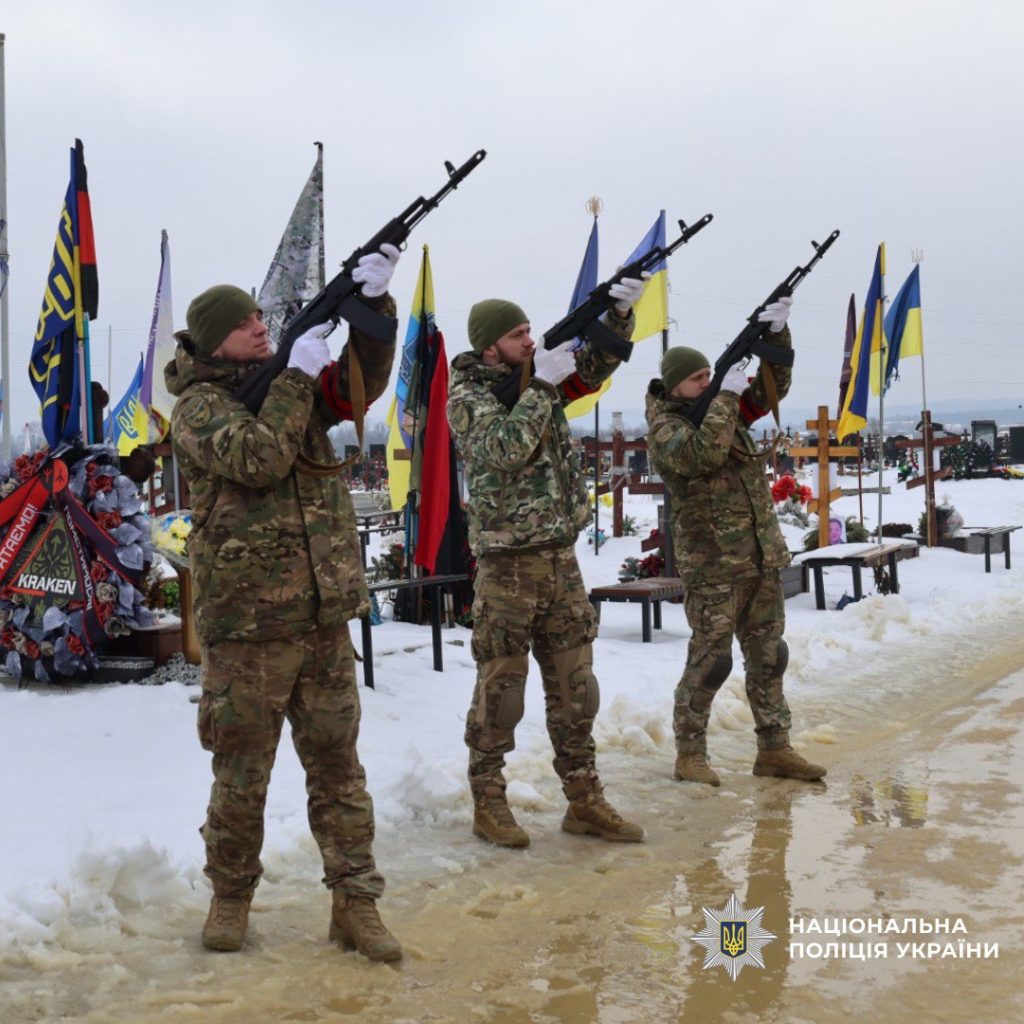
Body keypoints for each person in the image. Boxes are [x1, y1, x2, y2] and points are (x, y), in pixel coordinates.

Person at [166, 244, 404, 959]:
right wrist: (297, 374)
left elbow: (362, 387)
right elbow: (260, 457)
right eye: (244, 323)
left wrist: (374, 311)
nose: (260, 326)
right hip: (249, 627)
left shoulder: (285, 382)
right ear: (215, 341)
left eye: (259, 317)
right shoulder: (198, 409)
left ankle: (355, 902)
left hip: (322, 615)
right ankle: (230, 897)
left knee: (339, 769)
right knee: (242, 775)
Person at [447, 279, 647, 849]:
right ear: (490, 347)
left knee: (576, 688)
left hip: (560, 557)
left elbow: (597, 365)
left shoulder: (536, 381)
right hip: (508, 565)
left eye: (531, 331)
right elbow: (505, 448)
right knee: (502, 692)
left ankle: (584, 800)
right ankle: (489, 802)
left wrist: (618, 315)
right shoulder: (467, 399)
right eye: (518, 335)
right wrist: (542, 386)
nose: (530, 341)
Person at [645, 296, 826, 787]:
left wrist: (776, 338)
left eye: (711, 375)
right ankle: (690, 754)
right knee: (711, 661)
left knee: (769, 657)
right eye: (698, 379)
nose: (708, 383)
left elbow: (772, 389)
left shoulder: (723, 412)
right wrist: (724, 396)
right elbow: (703, 454)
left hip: (759, 559)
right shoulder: (668, 428)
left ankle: (775, 748)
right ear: (674, 386)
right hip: (713, 569)